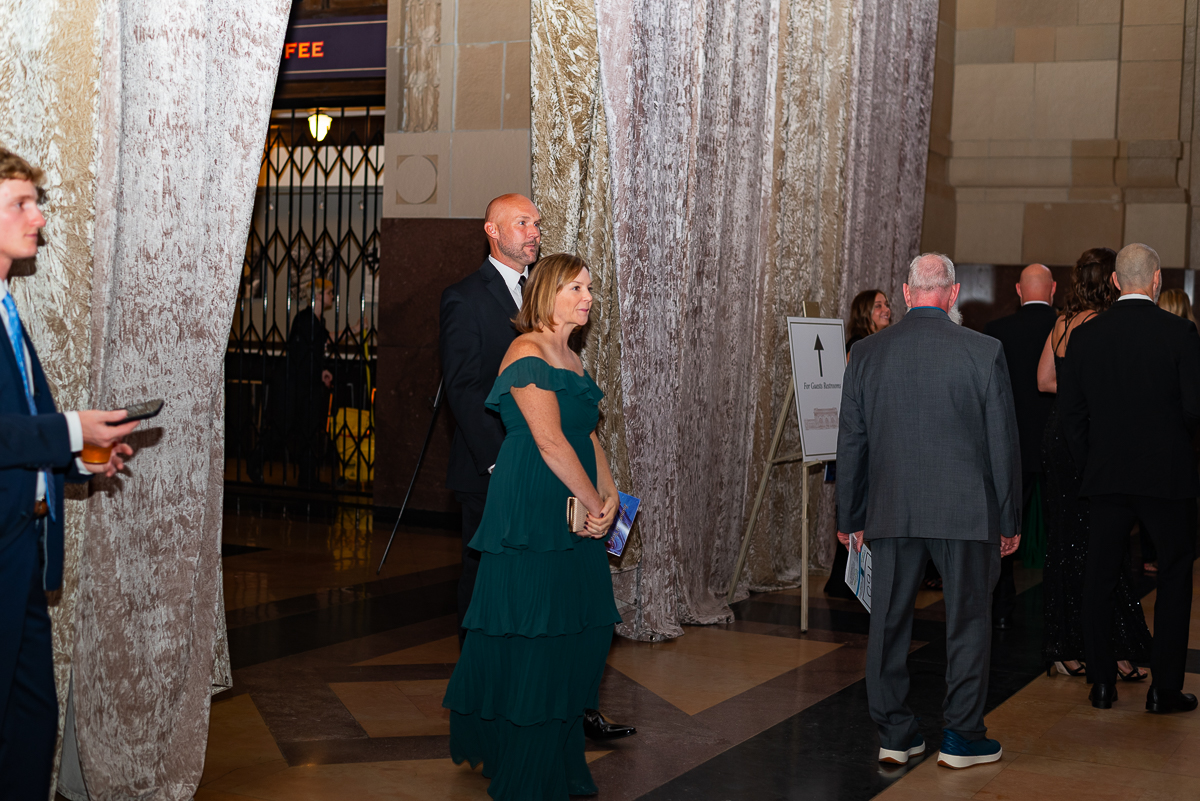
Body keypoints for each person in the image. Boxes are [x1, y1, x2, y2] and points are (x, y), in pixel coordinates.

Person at [439, 194, 633, 741]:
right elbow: (463, 388)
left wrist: (606, 495)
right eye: (522, 222)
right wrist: (501, 462)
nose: (533, 231)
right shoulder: (465, 297)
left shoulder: (564, 337)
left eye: (537, 223)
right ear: (492, 229)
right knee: (500, 602)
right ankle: (502, 712)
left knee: (565, 606)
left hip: (562, 480)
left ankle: (571, 708)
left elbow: (581, 428)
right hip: (503, 471)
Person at [837, 253, 1020, 770]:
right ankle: (961, 737)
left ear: (907, 292)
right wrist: (1008, 519)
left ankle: (895, 735)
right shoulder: (984, 351)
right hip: (967, 513)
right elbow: (1003, 445)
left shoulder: (866, 353)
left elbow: (851, 442)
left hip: (891, 508)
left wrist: (849, 516)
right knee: (968, 623)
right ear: (953, 293)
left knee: (888, 623)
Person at [0, 148, 138, 798]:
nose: (39, 218)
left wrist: (83, 457)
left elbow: (21, 424)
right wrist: (72, 430)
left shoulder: (7, 308)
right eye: (20, 204)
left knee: (30, 719)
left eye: (37, 202)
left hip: (24, 549)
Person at [1059, 243, 1200, 713]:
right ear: (1156, 280)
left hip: (1106, 475)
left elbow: (1071, 415)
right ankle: (1164, 690)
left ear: (1117, 281)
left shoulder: (1086, 335)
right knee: (1175, 575)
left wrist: (1091, 462)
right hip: (1166, 477)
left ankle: (1102, 684)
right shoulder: (1180, 333)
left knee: (1099, 577)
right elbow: (1194, 410)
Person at [1036, 248, 1149, 682]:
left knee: (1068, 541)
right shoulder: (1103, 324)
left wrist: (1075, 389)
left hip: (1058, 436)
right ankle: (1110, 648)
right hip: (1088, 439)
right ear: (1112, 281)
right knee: (1102, 543)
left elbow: (1044, 380)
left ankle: (1070, 647)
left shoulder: (1063, 322)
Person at [983, 264, 1057, 629]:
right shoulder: (1069, 328)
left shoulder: (995, 332)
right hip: (1059, 444)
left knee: (1004, 532)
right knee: (1065, 532)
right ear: (1054, 289)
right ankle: (1060, 613)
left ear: (1017, 289)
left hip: (1011, 446)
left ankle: (1000, 609)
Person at [825, 288, 891, 600]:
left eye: (887, 304)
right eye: (878, 305)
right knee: (857, 513)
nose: (886, 309)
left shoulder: (882, 344)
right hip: (864, 444)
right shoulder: (858, 347)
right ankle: (849, 582)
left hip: (877, 444)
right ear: (864, 312)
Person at [285, 277, 335, 487]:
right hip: (300, 384)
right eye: (330, 292)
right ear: (318, 295)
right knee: (300, 429)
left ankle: (308, 477)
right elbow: (308, 350)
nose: (332, 296)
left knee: (310, 430)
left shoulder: (317, 321)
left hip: (311, 382)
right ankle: (306, 478)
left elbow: (315, 351)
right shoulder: (305, 319)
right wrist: (356, 329)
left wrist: (322, 371)